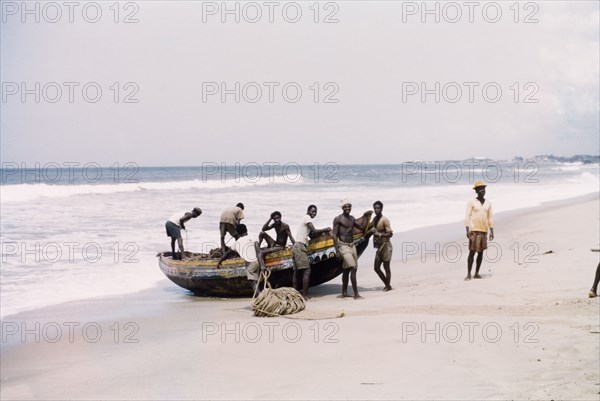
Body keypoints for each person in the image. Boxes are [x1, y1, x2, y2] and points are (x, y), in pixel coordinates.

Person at [332, 199, 372, 299]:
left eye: (349, 206)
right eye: (345, 206)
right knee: (353, 267)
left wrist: (366, 216)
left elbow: (362, 228)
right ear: (342, 208)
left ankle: (344, 293)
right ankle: (356, 294)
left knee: (346, 270)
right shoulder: (338, 219)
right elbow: (334, 234)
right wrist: (337, 250)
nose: (347, 208)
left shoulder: (352, 219)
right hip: (343, 245)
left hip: (352, 245)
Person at [292, 205, 331, 300]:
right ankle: (305, 295)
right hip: (300, 247)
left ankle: (295, 294)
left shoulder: (305, 220)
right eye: (312, 211)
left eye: (315, 212)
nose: (314, 213)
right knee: (306, 270)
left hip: (296, 246)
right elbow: (314, 230)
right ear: (308, 211)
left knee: (297, 272)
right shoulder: (307, 218)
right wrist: (326, 229)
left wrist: (321, 233)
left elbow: (312, 235)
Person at [216, 224, 261, 293]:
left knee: (253, 282)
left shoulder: (237, 243)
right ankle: (260, 294)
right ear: (246, 230)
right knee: (256, 280)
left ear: (237, 233)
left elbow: (227, 254)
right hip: (258, 261)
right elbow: (258, 251)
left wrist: (220, 261)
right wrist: (262, 265)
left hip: (251, 263)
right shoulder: (254, 238)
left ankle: (260, 297)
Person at [464, 181, 494, 280]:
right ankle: (469, 274)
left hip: (484, 230)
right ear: (476, 191)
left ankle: (477, 273)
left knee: (481, 253)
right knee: (472, 252)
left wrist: (492, 230)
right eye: (480, 189)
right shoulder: (471, 202)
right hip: (474, 230)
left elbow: (490, 217)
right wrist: (467, 229)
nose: (482, 191)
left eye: (483, 189)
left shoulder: (488, 203)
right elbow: (467, 216)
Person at [368, 201, 394, 291]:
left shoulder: (384, 220)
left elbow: (390, 234)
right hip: (379, 247)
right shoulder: (374, 219)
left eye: (378, 208)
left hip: (386, 246)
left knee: (386, 267)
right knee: (376, 268)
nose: (376, 210)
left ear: (381, 209)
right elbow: (368, 227)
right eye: (375, 208)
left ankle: (387, 286)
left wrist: (379, 235)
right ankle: (388, 285)